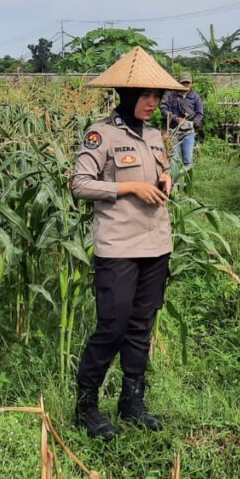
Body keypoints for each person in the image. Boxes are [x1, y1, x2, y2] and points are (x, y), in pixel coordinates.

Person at [72, 47, 185, 439]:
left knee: (141, 326)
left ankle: (132, 402)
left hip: (156, 245)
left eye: (157, 96)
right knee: (113, 326)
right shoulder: (101, 134)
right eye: (145, 95)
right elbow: (80, 184)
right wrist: (129, 187)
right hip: (119, 247)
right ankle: (85, 407)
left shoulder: (154, 135)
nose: (152, 102)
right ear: (125, 94)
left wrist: (166, 180)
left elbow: (163, 172)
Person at [160, 73, 204, 169]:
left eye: (188, 83)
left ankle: (187, 179)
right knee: (173, 160)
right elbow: (163, 109)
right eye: (183, 83)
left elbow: (199, 114)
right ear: (178, 83)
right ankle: (174, 178)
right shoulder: (170, 95)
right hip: (173, 132)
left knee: (187, 161)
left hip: (188, 133)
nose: (185, 85)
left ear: (191, 83)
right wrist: (176, 118)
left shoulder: (195, 97)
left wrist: (192, 123)